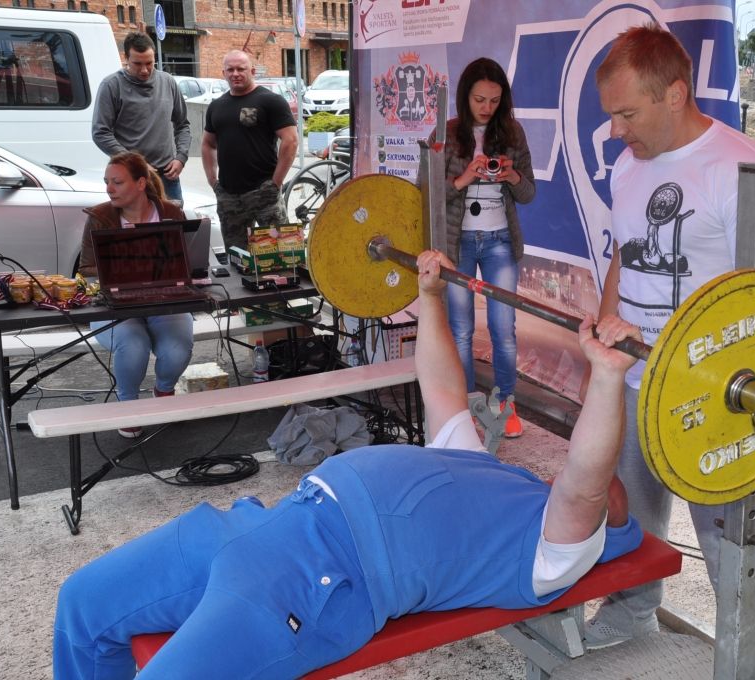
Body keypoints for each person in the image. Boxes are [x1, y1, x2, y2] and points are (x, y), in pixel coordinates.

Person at [52, 249, 645, 680]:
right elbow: (440, 385)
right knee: (82, 605)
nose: (608, 491)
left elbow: (585, 480)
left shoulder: (549, 553)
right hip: (259, 523)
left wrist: (608, 374)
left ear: (601, 534)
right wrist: (432, 296)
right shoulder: (487, 470)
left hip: (316, 580)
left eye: (607, 507)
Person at [581, 24, 755, 680]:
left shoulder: (744, 172)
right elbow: (624, 250)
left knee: (729, 536)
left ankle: (745, 661)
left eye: (626, 113)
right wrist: (607, 317)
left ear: (674, 94)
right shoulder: (626, 166)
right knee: (631, 506)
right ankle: (633, 606)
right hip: (634, 379)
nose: (617, 131)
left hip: (713, 393)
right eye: (611, 115)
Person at [421, 57, 536, 438]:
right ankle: (467, 407)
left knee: (505, 329)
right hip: (459, 243)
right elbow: (426, 194)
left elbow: (528, 193)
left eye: (494, 100)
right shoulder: (447, 133)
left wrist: (512, 174)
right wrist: (465, 177)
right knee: (461, 330)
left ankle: (505, 404)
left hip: (500, 239)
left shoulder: (513, 133)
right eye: (479, 99)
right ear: (464, 97)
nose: (487, 108)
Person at [79, 152, 195, 438]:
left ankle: (164, 390)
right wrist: (118, 270)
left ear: (141, 183)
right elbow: (85, 270)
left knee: (178, 348)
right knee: (133, 345)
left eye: (117, 182)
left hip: (164, 300)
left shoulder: (171, 213)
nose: (109, 189)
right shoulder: (99, 217)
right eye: (107, 182)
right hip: (114, 305)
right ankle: (128, 406)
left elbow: (187, 261)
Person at [201, 50, 297, 252]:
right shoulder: (216, 106)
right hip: (228, 196)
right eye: (230, 69)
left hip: (264, 192)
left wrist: (275, 183)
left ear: (252, 71)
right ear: (223, 73)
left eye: (241, 69)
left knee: (283, 253)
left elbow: (290, 140)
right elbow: (208, 144)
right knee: (237, 258)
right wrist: (213, 181)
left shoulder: (270, 101)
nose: (235, 73)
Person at [92, 32, 190, 204]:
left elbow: (182, 125)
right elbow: (100, 133)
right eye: (137, 64)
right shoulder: (111, 85)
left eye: (149, 63)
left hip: (167, 176)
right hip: (129, 177)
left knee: (174, 228)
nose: (144, 70)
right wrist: (135, 162)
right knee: (134, 229)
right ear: (126, 58)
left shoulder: (167, 82)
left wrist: (180, 158)